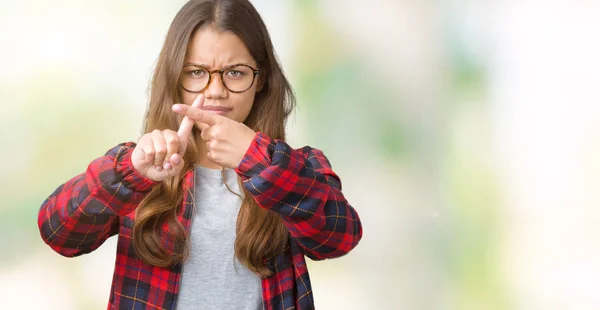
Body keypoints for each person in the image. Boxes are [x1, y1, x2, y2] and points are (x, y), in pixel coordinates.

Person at [37, 0, 362, 309]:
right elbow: (58, 233)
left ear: (260, 79)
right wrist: (130, 173)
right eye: (196, 72)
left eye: (235, 72)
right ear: (175, 79)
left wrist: (259, 161)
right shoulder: (140, 167)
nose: (215, 90)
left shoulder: (298, 168)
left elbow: (340, 239)